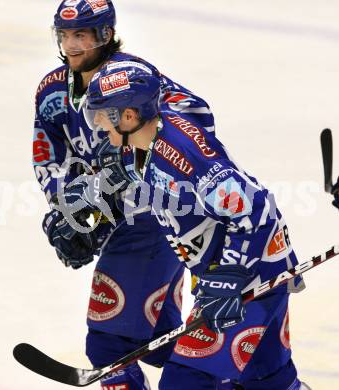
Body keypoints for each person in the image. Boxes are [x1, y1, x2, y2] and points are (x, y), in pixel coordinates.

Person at [79, 61, 312, 390]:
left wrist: (231, 277)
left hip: (252, 276)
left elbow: (255, 209)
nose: (98, 123)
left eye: (103, 114)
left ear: (129, 117)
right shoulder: (143, 146)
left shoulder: (182, 153)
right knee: (269, 380)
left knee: (184, 383)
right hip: (250, 271)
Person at [33, 1, 216, 389]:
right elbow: (48, 153)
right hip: (122, 222)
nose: (72, 46)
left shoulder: (131, 79)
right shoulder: (52, 91)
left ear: (105, 34)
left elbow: (198, 116)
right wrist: (71, 205)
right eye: (65, 35)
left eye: (81, 35)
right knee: (157, 343)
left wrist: (130, 166)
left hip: (154, 217)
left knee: (108, 344)